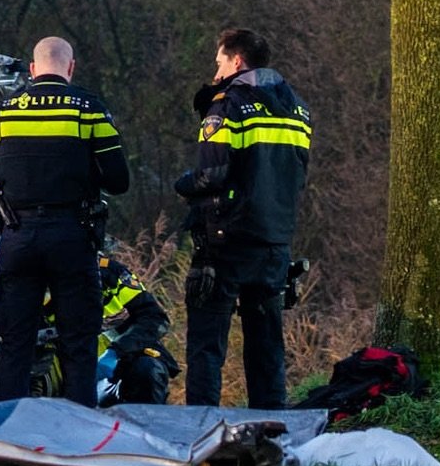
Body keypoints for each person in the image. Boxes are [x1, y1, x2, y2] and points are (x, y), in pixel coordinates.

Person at [0, 36, 130, 406]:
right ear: (70, 68)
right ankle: (78, 428)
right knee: (79, 342)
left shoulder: (2, 113)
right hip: (72, 236)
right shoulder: (89, 110)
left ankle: (10, 427)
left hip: (17, 236)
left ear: (32, 68)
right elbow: (119, 181)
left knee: (15, 344)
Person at [175, 27, 311, 409]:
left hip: (226, 241)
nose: (215, 72)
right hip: (275, 242)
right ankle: (272, 428)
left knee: (207, 343)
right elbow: (297, 175)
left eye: (219, 62)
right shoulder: (298, 110)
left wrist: (183, 184)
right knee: (267, 345)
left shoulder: (228, 105)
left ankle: (201, 428)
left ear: (236, 61)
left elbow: (212, 174)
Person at [97, 257, 176, 405]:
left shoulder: (108, 270)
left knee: (147, 369)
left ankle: (146, 419)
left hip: (114, 368)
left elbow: (155, 319)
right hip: (63, 365)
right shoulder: (50, 274)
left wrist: (116, 351)